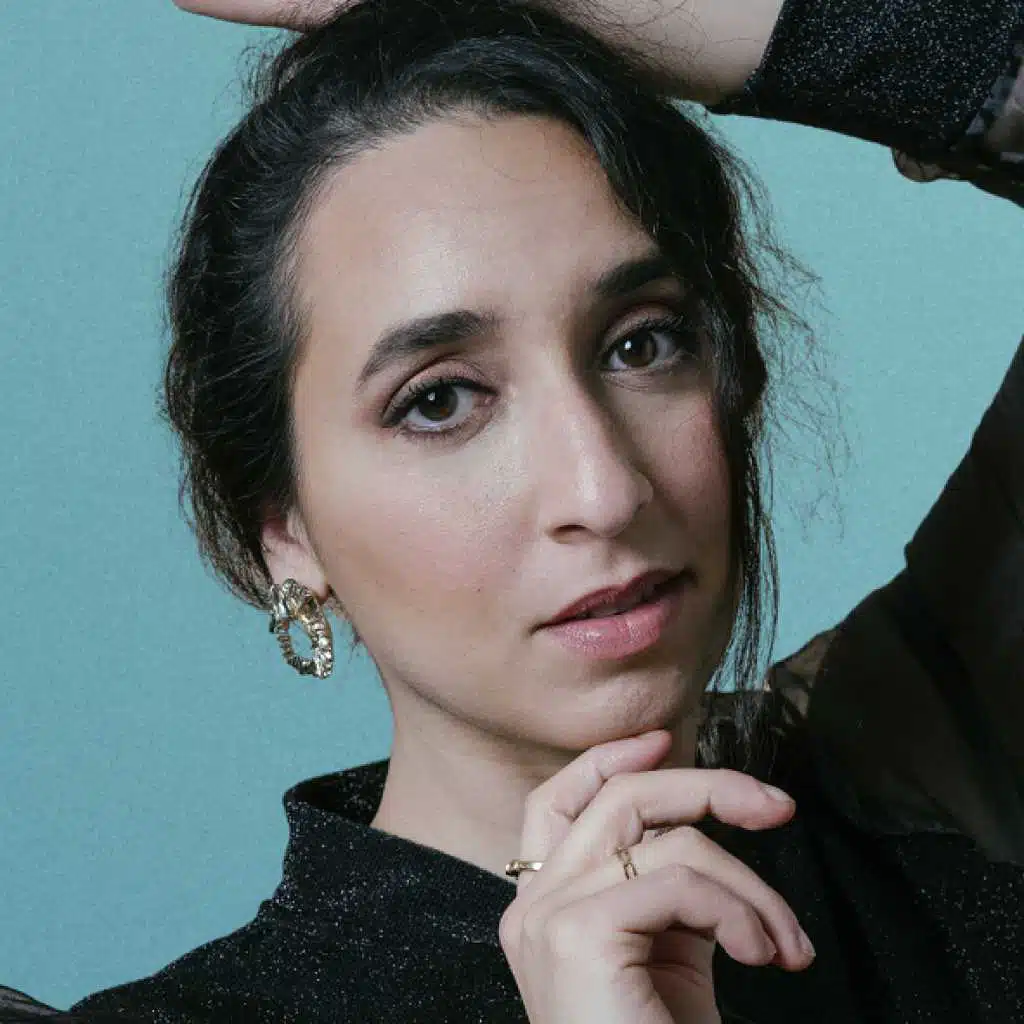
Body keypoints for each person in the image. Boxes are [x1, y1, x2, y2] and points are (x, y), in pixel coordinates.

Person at [4, 0, 1022, 1020]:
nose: (603, 490)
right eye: (439, 401)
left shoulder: (948, 763)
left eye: (641, 344)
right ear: (284, 531)